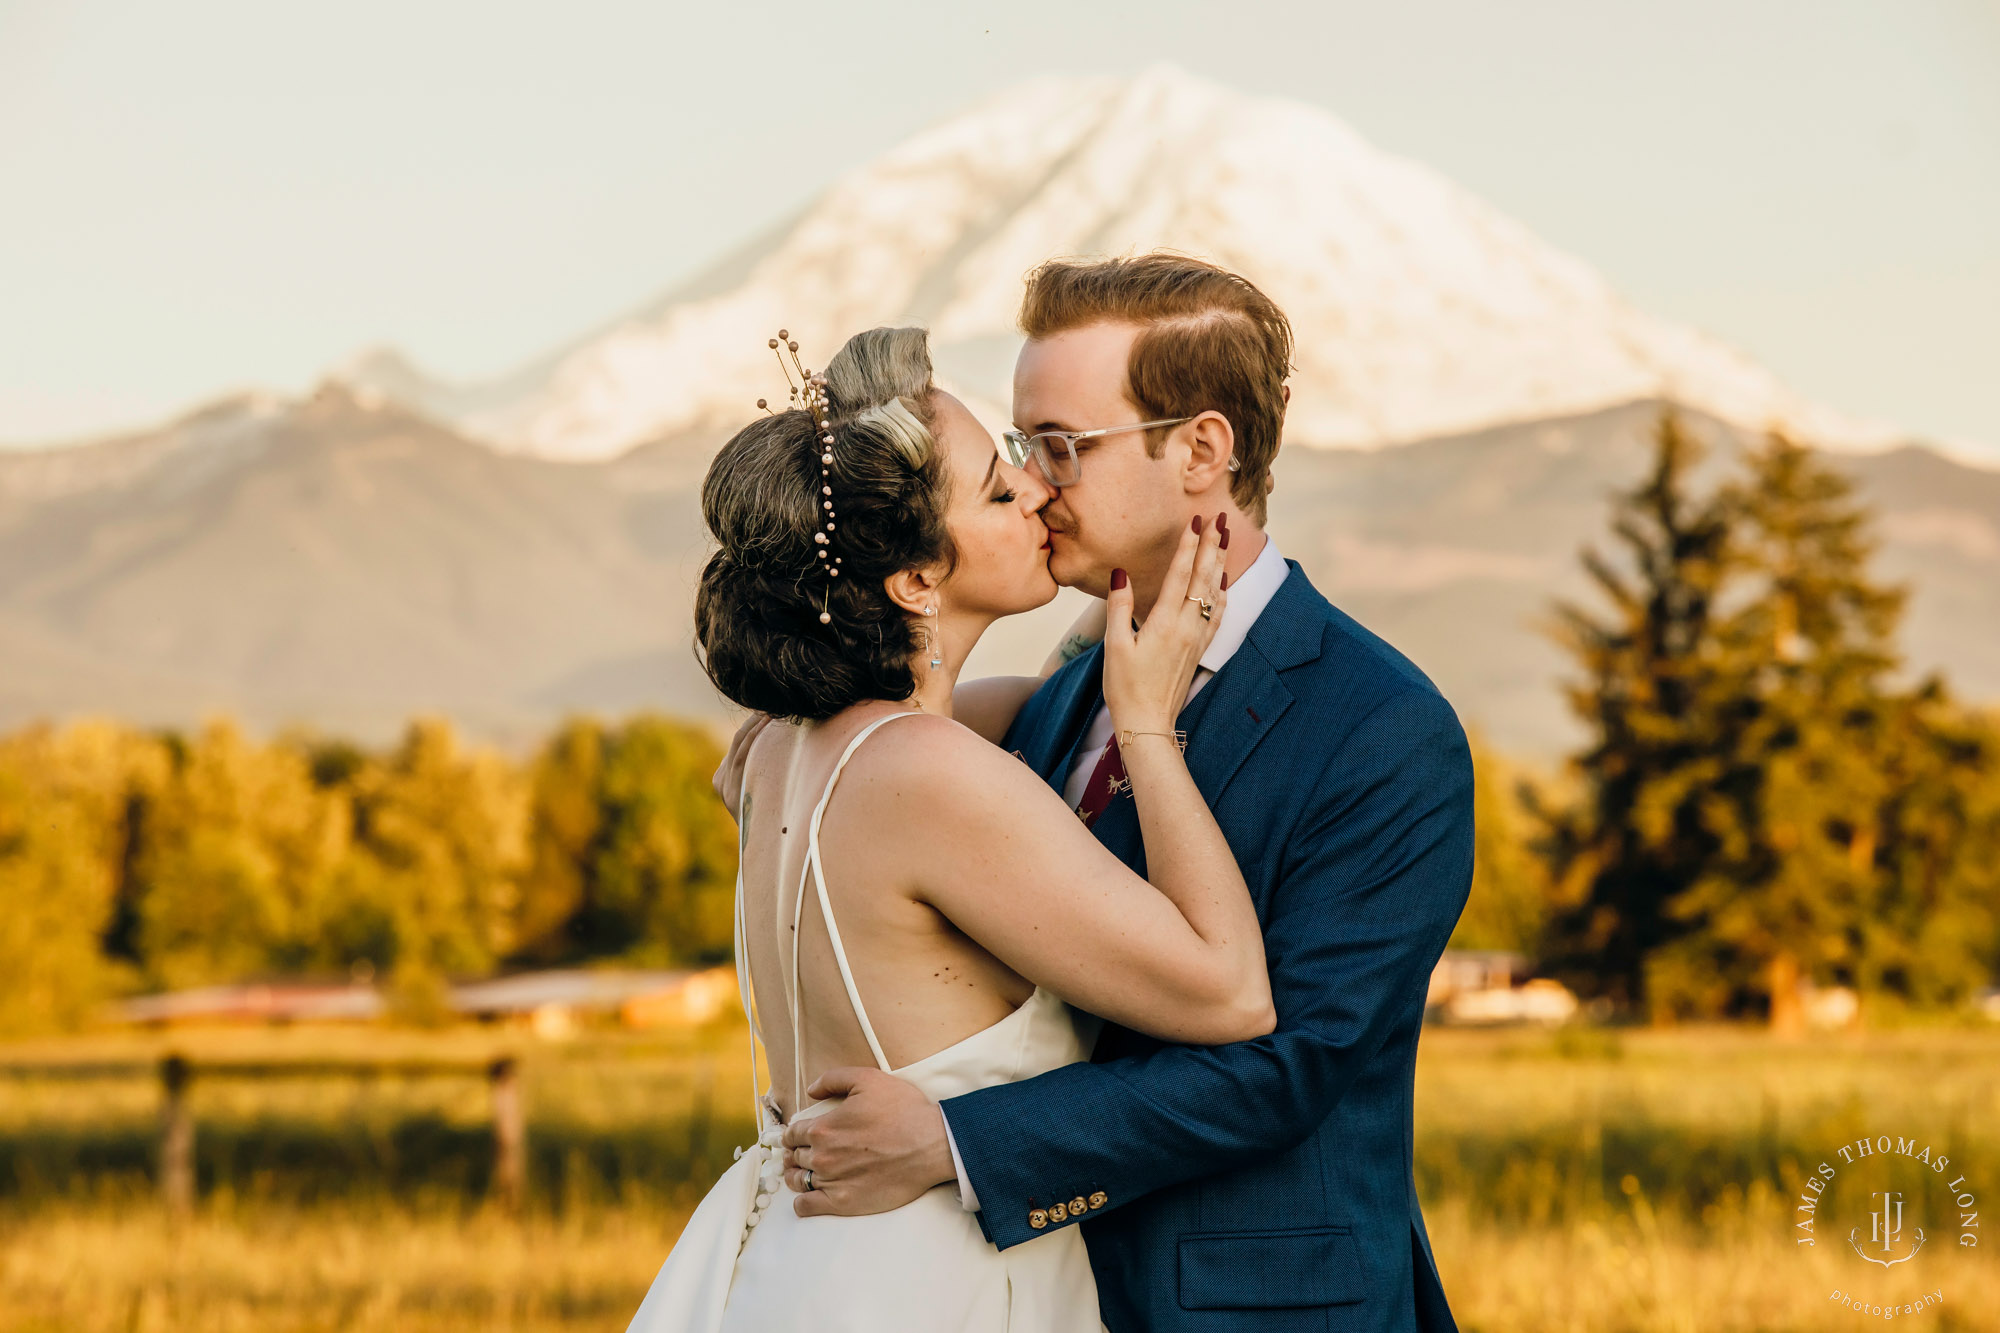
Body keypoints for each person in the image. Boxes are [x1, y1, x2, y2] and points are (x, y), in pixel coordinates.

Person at [773, 255, 1475, 1333]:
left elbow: (1290, 1066)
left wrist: (955, 1141)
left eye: (1059, 446)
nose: (1032, 485)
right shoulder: (1059, 696)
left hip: (1262, 1310)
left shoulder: (1379, 728)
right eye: (1017, 447)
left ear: (1200, 450)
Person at [627, 324, 1270, 1333]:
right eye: (997, 489)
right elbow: (1226, 992)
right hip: (932, 1284)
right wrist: (1144, 725)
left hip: (804, 1266)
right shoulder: (929, 776)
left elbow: (1017, 703)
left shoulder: (781, 749)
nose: (1035, 493)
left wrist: (1119, 610)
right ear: (917, 581)